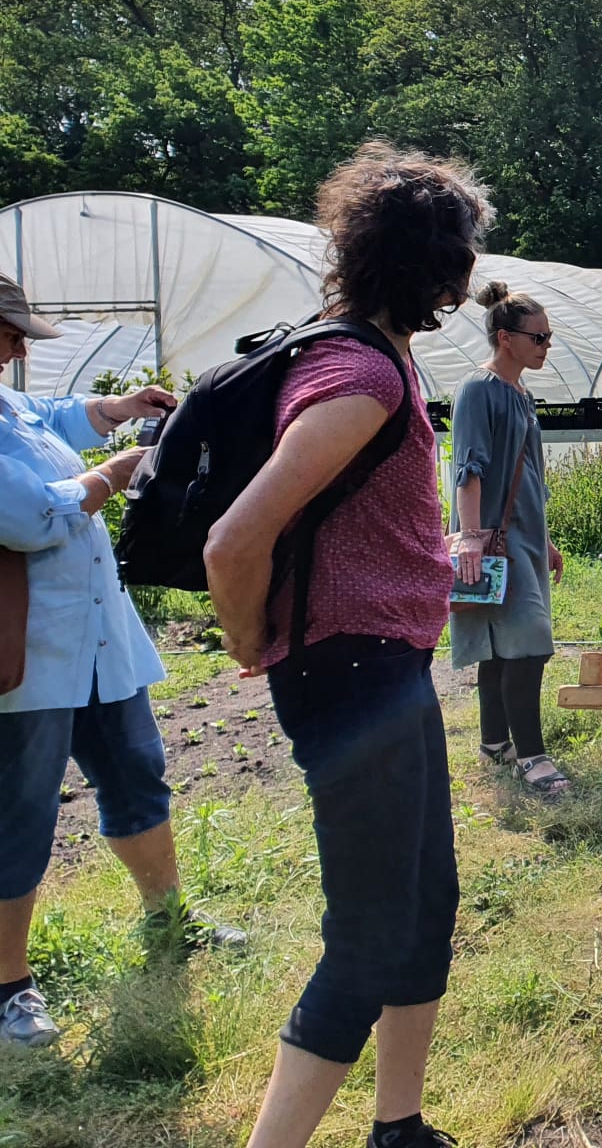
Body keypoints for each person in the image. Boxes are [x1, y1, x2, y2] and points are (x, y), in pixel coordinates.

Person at [205, 142, 489, 1148]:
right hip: (353, 668)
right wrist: (250, 640)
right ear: (437, 267)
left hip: (386, 665)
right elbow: (235, 538)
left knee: (425, 904)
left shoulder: (369, 350)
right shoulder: (356, 375)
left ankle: (398, 1126)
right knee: (367, 933)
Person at [0, 275, 246, 1051]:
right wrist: (115, 472)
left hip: (96, 641)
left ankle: (168, 917)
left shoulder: (7, 405)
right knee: (20, 813)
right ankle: (9, 986)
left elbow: (54, 417)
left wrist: (117, 410)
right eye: (8, 334)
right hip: (28, 654)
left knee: (137, 774)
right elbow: (28, 516)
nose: (16, 349)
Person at [450, 282, 567, 795]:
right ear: (505, 338)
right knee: (529, 644)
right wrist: (471, 538)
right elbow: (468, 468)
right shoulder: (479, 389)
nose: (545, 345)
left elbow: (530, 476)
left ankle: (495, 742)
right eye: (537, 337)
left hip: (523, 538)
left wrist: (546, 540)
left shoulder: (520, 393)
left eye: (548, 336)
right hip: (492, 538)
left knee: (505, 645)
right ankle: (533, 757)